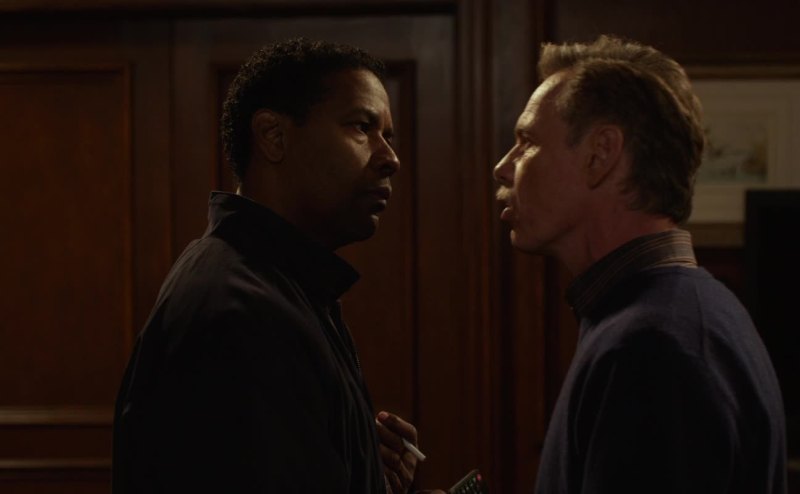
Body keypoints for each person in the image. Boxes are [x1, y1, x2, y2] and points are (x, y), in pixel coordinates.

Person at [113, 38, 421, 494]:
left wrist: (357, 464)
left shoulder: (280, 283)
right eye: (362, 127)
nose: (389, 158)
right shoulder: (241, 309)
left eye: (388, 137)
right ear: (273, 136)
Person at [494, 35, 787, 493]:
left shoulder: (652, 346)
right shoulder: (672, 313)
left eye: (526, 142)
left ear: (600, 154)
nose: (503, 167)